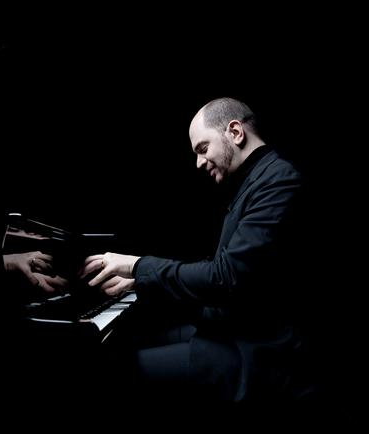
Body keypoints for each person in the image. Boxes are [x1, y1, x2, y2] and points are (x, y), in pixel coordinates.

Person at [78, 97, 323, 416]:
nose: (198, 163)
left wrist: (137, 266)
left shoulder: (279, 181)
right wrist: (139, 282)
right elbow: (223, 278)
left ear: (235, 132)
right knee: (129, 339)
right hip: (232, 332)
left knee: (116, 369)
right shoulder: (256, 181)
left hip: (257, 354)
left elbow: (224, 278)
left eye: (202, 148)